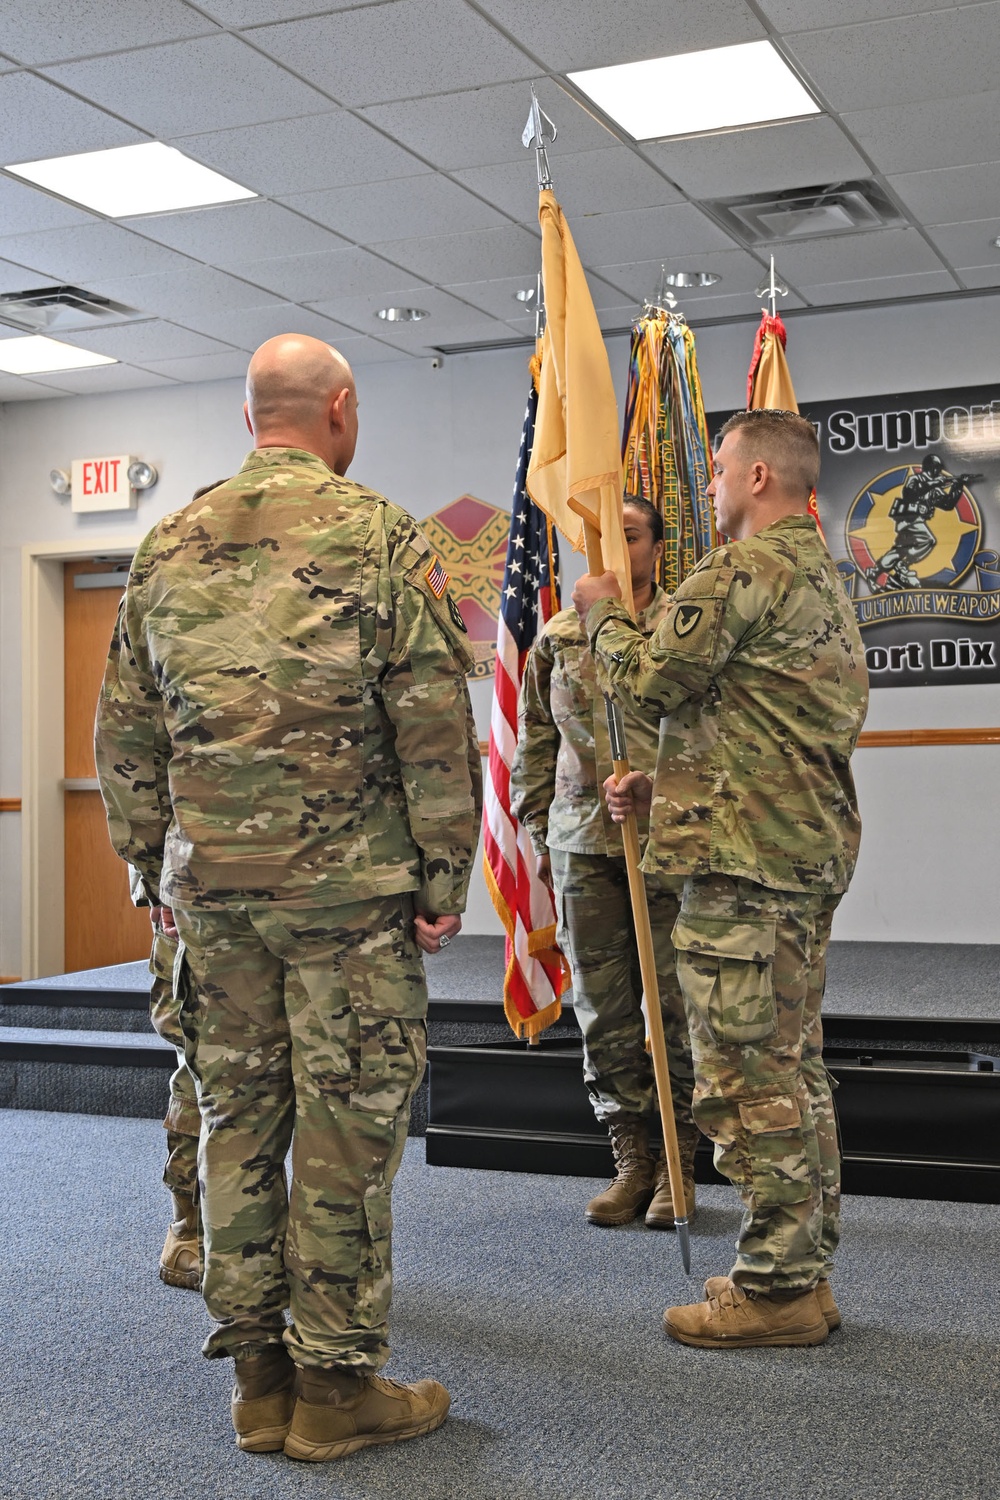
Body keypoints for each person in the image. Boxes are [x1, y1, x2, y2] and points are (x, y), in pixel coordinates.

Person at [95, 335, 482, 1459]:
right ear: (340, 409)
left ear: (250, 416)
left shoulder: (166, 542)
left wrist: (148, 867)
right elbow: (430, 726)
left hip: (209, 896)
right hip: (346, 899)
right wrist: (441, 876)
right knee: (344, 1132)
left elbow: (125, 730)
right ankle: (335, 1389)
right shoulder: (378, 535)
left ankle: (257, 1381)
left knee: (237, 1121)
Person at [573, 409, 868, 1350]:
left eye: (719, 471)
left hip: (743, 873)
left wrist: (600, 617)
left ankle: (775, 1289)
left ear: (756, 480)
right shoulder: (820, 575)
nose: (708, 488)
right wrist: (671, 785)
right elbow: (772, 721)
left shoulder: (748, 569)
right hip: (792, 855)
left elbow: (654, 680)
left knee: (747, 1083)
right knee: (795, 1072)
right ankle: (803, 1273)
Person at [510, 498, 697, 1228]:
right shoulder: (556, 637)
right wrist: (538, 833)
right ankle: (633, 1158)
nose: (617, 549)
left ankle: (680, 1164)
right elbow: (534, 744)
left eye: (631, 535)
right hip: (580, 844)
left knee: (675, 1005)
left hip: (666, 843)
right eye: (603, 537)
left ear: (657, 545)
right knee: (603, 1008)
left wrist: (666, 794)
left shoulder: (683, 627)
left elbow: (709, 734)